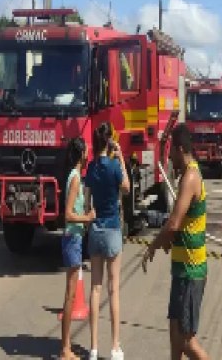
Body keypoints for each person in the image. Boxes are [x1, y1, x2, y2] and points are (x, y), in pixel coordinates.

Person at [142, 124, 209, 360]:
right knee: (174, 333)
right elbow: (181, 225)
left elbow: (174, 223)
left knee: (187, 341)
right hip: (181, 269)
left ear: (181, 149)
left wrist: (152, 245)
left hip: (191, 270)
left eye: (171, 152)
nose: (169, 158)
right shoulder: (187, 174)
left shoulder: (190, 176)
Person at [85, 123, 130, 360]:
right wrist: (121, 157)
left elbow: (86, 201)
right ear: (110, 141)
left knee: (95, 288)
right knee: (114, 290)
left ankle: (93, 348)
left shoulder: (91, 168)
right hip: (112, 229)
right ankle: (114, 347)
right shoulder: (114, 166)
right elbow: (127, 187)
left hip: (95, 229)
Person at [60, 138, 96, 360]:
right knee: (70, 296)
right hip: (72, 237)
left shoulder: (75, 177)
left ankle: (66, 346)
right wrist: (87, 218)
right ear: (81, 153)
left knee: (71, 296)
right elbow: (67, 215)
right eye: (86, 151)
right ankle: (65, 349)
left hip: (74, 238)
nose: (88, 154)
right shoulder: (74, 179)